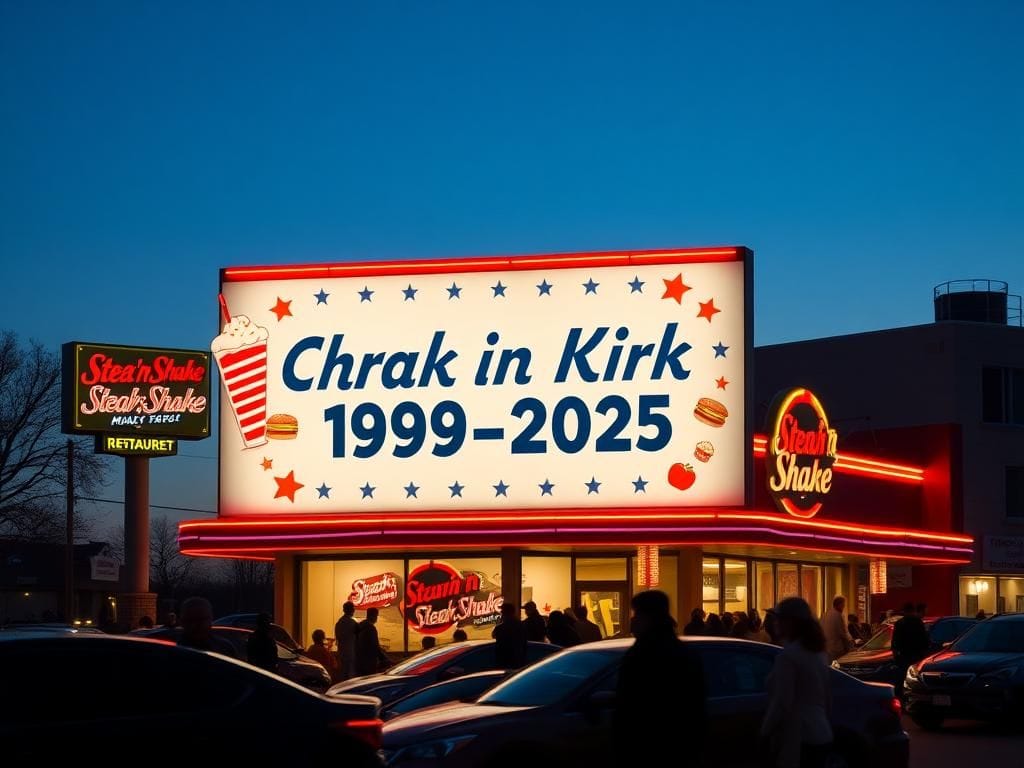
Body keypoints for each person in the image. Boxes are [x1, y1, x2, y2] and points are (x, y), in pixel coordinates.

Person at [613, 590, 706, 766]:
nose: (633, 620)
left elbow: (630, 705)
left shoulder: (642, 655)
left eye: (636, 614)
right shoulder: (684, 653)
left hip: (648, 748)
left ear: (648, 618)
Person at [760, 598, 833, 768]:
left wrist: (765, 732)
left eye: (778, 619)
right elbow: (827, 696)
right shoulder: (818, 653)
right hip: (821, 733)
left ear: (790, 622)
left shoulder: (788, 657)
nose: (774, 623)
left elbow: (782, 702)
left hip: (799, 738)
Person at [891, 602, 929, 697]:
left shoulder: (899, 623)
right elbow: (924, 639)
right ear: (913, 611)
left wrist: (896, 656)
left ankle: (901, 697)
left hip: (903, 655)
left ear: (904, 611)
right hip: (916, 655)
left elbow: (894, 642)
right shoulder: (918, 622)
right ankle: (914, 696)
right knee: (915, 679)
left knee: (902, 679)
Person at [355, 607, 390, 676]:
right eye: (376, 616)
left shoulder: (359, 626)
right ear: (373, 616)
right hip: (369, 661)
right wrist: (384, 657)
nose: (376, 618)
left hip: (359, 660)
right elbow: (375, 646)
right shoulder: (371, 628)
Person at [492, 601, 527, 669]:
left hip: (505, 661)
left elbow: (494, 635)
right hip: (519, 661)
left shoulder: (501, 628)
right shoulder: (521, 625)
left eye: (502, 612)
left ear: (504, 613)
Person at [822, 596, 855, 661]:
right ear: (840, 605)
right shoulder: (837, 615)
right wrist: (851, 645)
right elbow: (843, 634)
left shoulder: (825, 615)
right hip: (836, 650)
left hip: (825, 650)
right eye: (843, 605)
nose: (843, 607)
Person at [334, 601, 358, 681]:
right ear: (351, 610)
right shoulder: (353, 623)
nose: (354, 611)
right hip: (351, 654)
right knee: (350, 677)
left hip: (341, 653)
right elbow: (358, 638)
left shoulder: (339, 623)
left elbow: (338, 639)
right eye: (353, 609)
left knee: (342, 676)